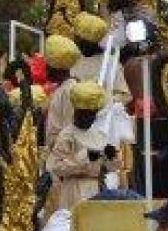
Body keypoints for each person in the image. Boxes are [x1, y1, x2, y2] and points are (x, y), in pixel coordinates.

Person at [45, 81, 115, 212]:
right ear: (77, 112)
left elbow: (111, 168)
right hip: (74, 191)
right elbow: (55, 166)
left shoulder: (99, 135)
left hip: (97, 190)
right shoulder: (67, 135)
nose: (89, 119)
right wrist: (84, 158)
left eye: (92, 115)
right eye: (86, 114)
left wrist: (109, 158)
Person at [42, 33, 82, 149]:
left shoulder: (69, 91)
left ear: (55, 67)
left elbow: (69, 131)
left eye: (47, 64)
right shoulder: (62, 88)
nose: (45, 68)